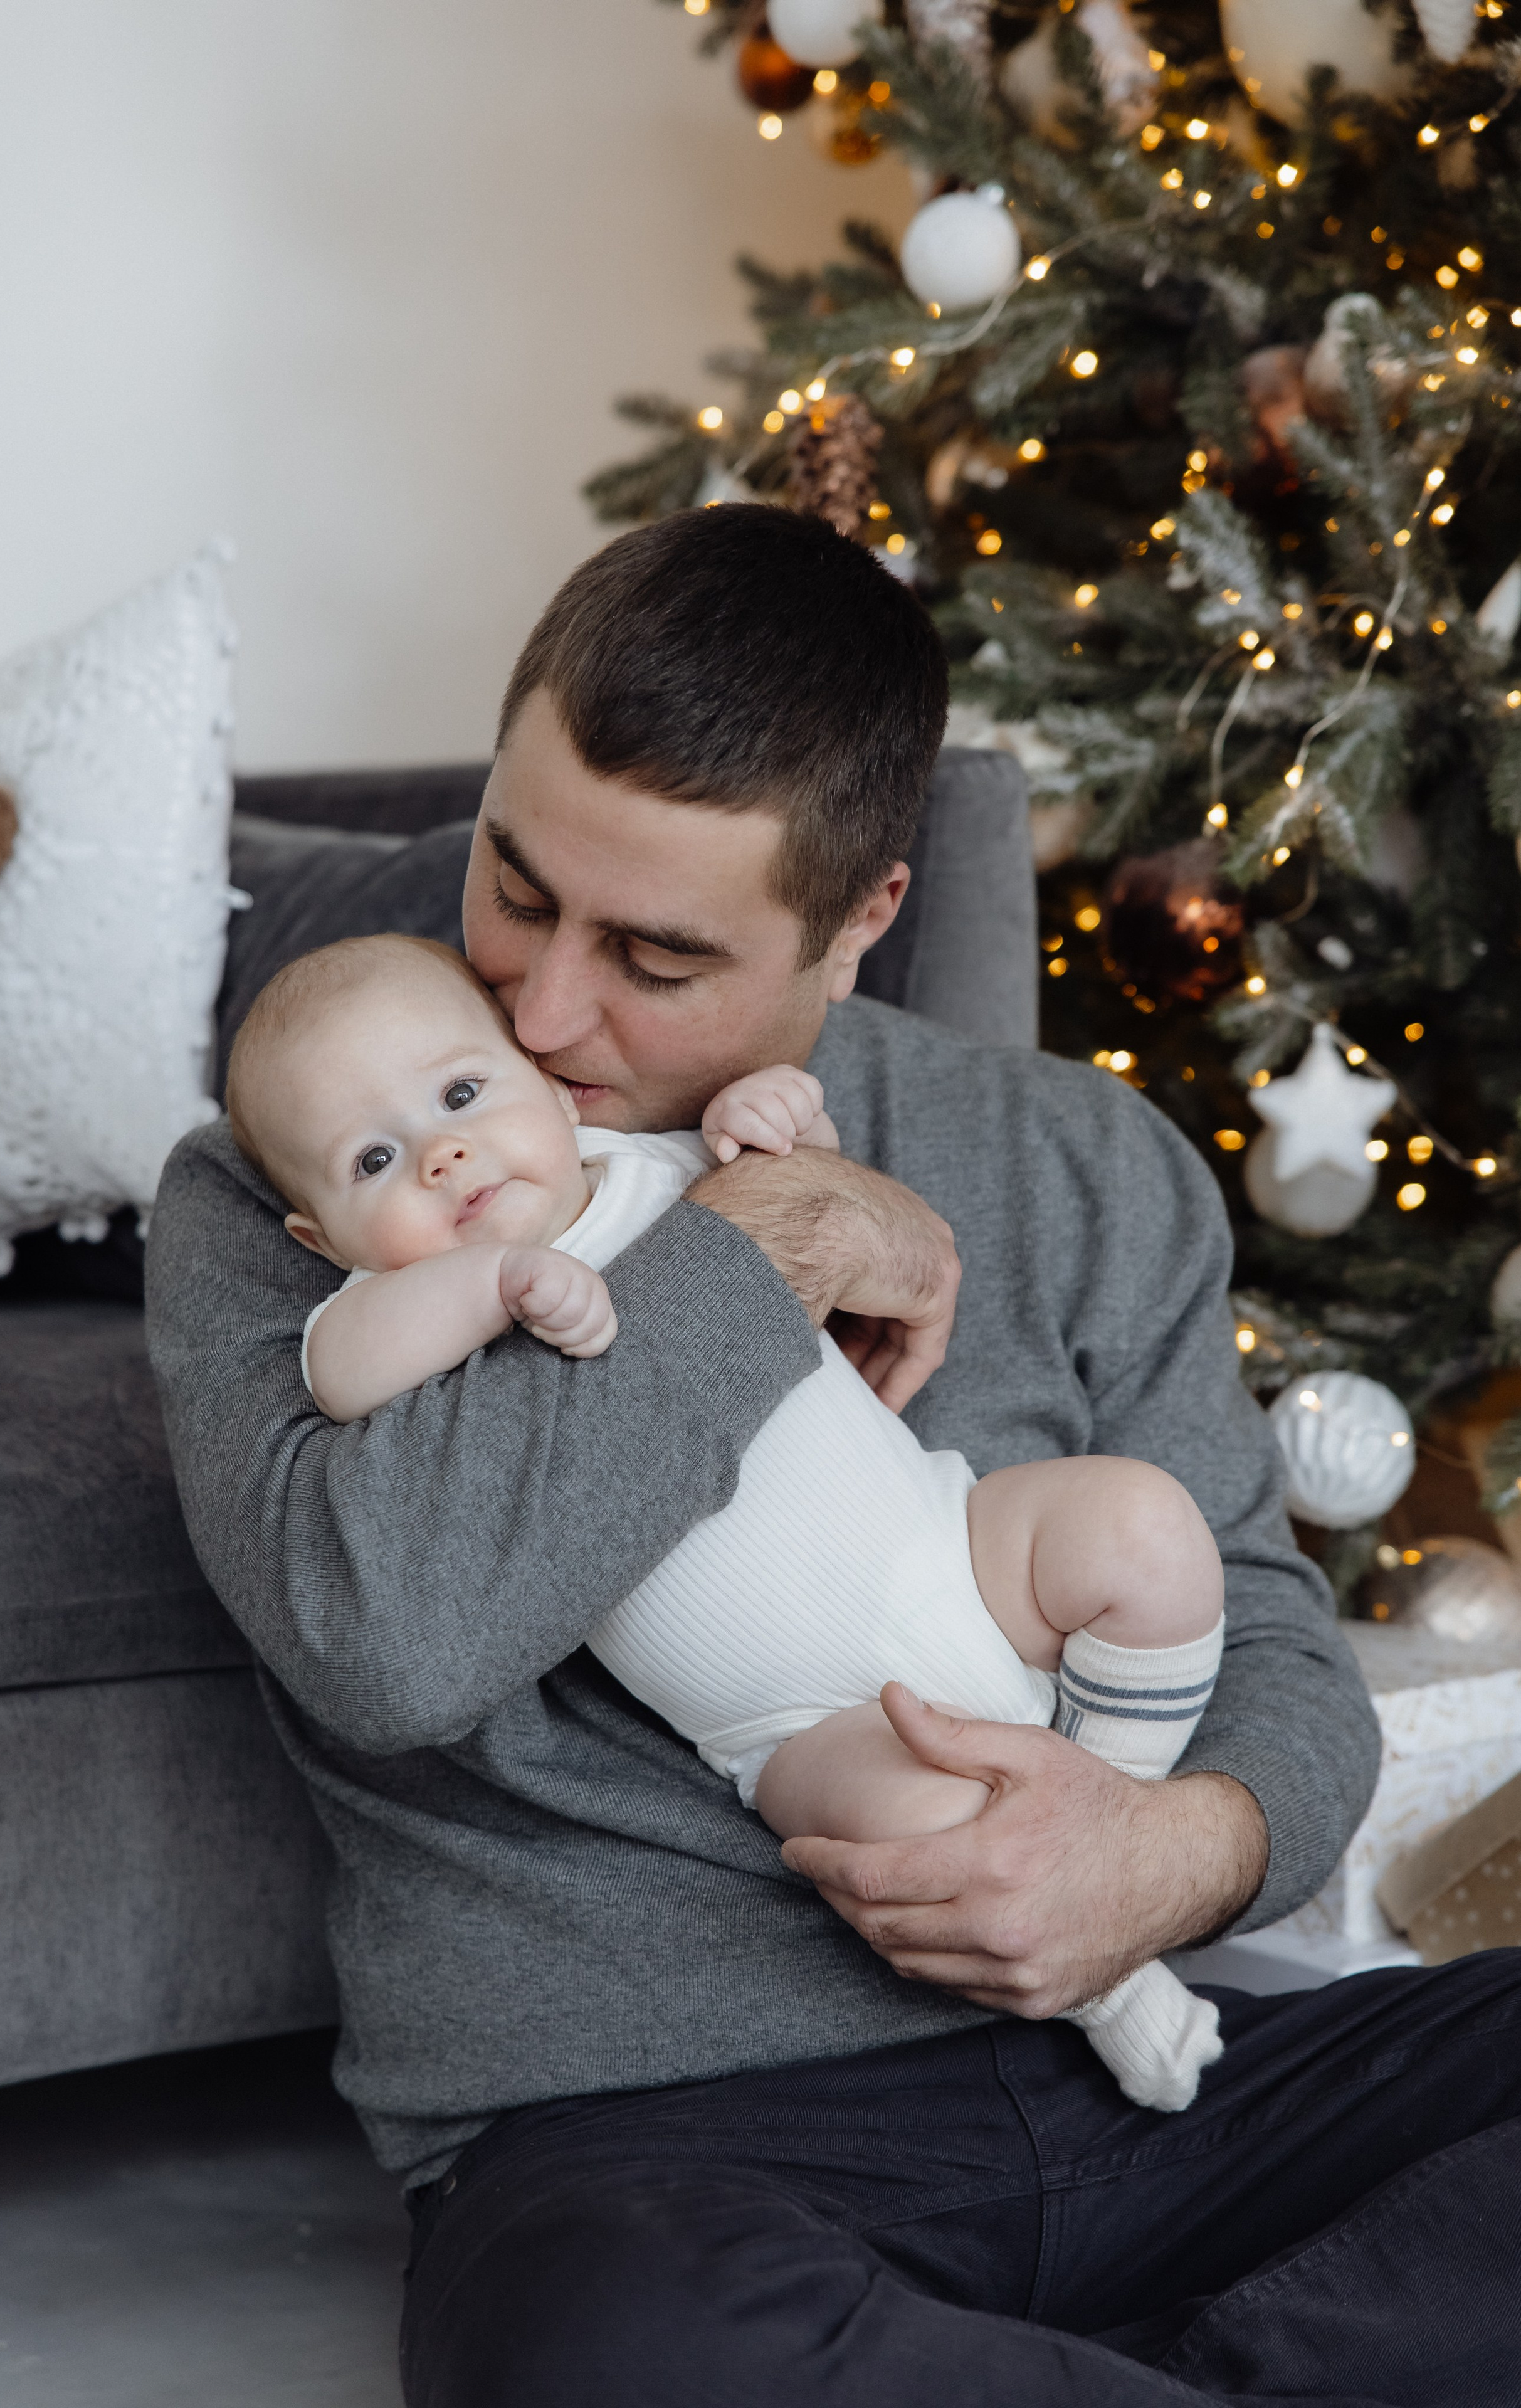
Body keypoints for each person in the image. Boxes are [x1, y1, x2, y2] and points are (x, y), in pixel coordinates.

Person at [146, 506, 1521, 2405]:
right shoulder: (297, 1193)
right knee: (607, 2351)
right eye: (517, 886)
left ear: (864, 917)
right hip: (650, 2153)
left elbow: (1284, 1668)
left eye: (655, 952)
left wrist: (1162, 1852)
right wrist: (759, 1253)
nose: (542, 1016)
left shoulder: (1078, 1163)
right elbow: (387, 1640)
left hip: (1150, 2087)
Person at [222, 928, 1226, 2109]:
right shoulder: (376, 1309)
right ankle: (1118, 1988)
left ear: (545, 1082)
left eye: (460, 1094)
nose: (442, 1157)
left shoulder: (653, 1163)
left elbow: (822, 1204)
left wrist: (783, 1123)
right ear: (319, 1236)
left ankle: (1113, 1797)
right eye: (374, 1160)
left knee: (1142, 1529)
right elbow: (342, 1375)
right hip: (809, 1723)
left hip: (958, 1551)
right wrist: (486, 1287)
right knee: (938, 1844)